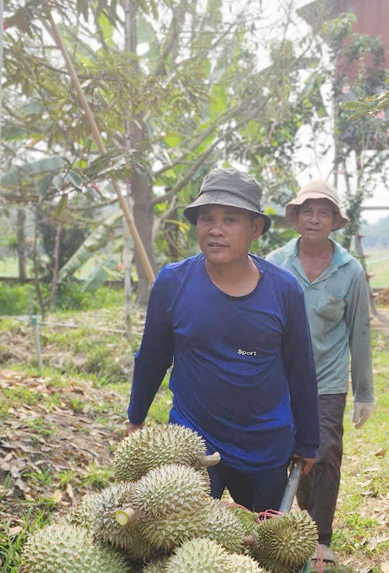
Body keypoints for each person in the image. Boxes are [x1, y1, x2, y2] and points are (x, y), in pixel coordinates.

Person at [127, 168, 319, 513]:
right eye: (206, 219)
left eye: (230, 220)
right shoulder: (173, 283)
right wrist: (135, 417)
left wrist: (307, 439)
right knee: (187, 542)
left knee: (264, 547)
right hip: (194, 441)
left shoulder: (283, 290)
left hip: (264, 443)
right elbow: (153, 356)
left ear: (256, 228)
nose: (215, 230)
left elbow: (301, 369)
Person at [265, 180, 375, 563]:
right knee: (288, 452)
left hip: (326, 381)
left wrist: (364, 393)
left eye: (323, 212)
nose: (314, 219)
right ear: (296, 217)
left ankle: (320, 536)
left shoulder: (349, 270)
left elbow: (360, 332)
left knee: (325, 451)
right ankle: (291, 526)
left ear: (334, 221)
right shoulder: (275, 263)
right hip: (279, 379)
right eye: (307, 211)